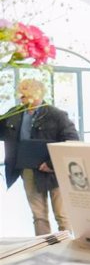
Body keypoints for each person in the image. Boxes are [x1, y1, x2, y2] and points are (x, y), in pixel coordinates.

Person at [0, 79, 79, 235]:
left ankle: (66, 248)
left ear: (38, 93)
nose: (21, 96)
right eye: (21, 92)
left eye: (25, 92)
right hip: (28, 169)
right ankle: (44, 249)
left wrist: (51, 164)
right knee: (38, 216)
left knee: (62, 216)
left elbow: (72, 141)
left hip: (54, 172)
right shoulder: (15, 113)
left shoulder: (56, 115)